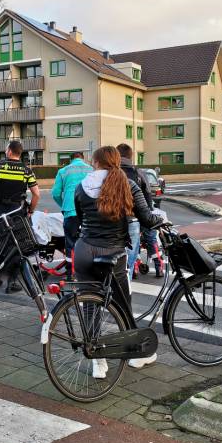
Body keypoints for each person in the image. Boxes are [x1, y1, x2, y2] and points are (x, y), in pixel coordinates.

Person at [74, 146, 159, 376]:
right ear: (116, 161)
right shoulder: (127, 184)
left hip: (83, 251)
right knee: (122, 304)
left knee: (90, 305)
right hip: (112, 254)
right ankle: (138, 354)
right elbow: (147, 218)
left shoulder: (82, 186)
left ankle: (98, 362)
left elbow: (80, 218)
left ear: (96, 162)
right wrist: (162, 221)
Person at [0, 140, 40, 293]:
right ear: (19, 153)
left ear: (9, 151)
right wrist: (31, 211)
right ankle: (12, 283)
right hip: (17, 214)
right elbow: (36, 194)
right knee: (17, 247)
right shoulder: (26, 171)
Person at [51, 152, 93, 279]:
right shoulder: (91, 170)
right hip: (89, 211)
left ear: (71, 160)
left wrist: (64, 205)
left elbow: (56, 193)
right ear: (82, 159)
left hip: (71, 211)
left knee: (70, 243)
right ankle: (88, 271)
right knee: (89, 242)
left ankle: (71, 273)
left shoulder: (63, 171)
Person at [116, 143, 155, 279]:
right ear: (131, 156)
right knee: (128, 266)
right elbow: (147, 198)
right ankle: (125, 294)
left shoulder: (108, 173)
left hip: (110, 222)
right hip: (132, 220)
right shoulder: (138, 173)